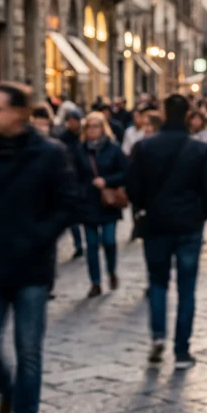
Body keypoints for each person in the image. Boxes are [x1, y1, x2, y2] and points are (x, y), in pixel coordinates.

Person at [0, 83, 77, 413]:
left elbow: (66, 206)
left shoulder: (50, 153)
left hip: (32, 268)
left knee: (28, 350)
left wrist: (37, 238)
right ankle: (8, 393)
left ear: (19, 113)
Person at [127, 94, 207, 369]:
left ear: (164, 113)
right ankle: (181, 351)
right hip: (189, 226)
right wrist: (200, 214)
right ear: (188, 113)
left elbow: (133, 189)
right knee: (186, 288)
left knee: (157, 282)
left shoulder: (144, 147)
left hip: (156, 225)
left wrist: (146, 208)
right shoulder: (199, 149)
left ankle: (158, 336)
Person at [75, 112, 127, 297]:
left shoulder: (113, 149)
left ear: (103, 128)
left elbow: (125, 172)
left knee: (109, 240)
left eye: (96, 126)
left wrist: (107, 180)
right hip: (87, 203)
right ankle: (95, 282)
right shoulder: (80, 150)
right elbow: (74, 175)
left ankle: (111, 271)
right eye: (89, 126)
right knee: (91, 245)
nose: (92, 130)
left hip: (108, 203)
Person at [55, 106, 86, 260]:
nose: (73, 123)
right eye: (70, 120)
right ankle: (78, 244)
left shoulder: (84, 137)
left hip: (84, 179)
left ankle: (88, 238)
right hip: (70, 179)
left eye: (75, 120)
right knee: (73, 217)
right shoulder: (62, 138)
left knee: (85, 213)